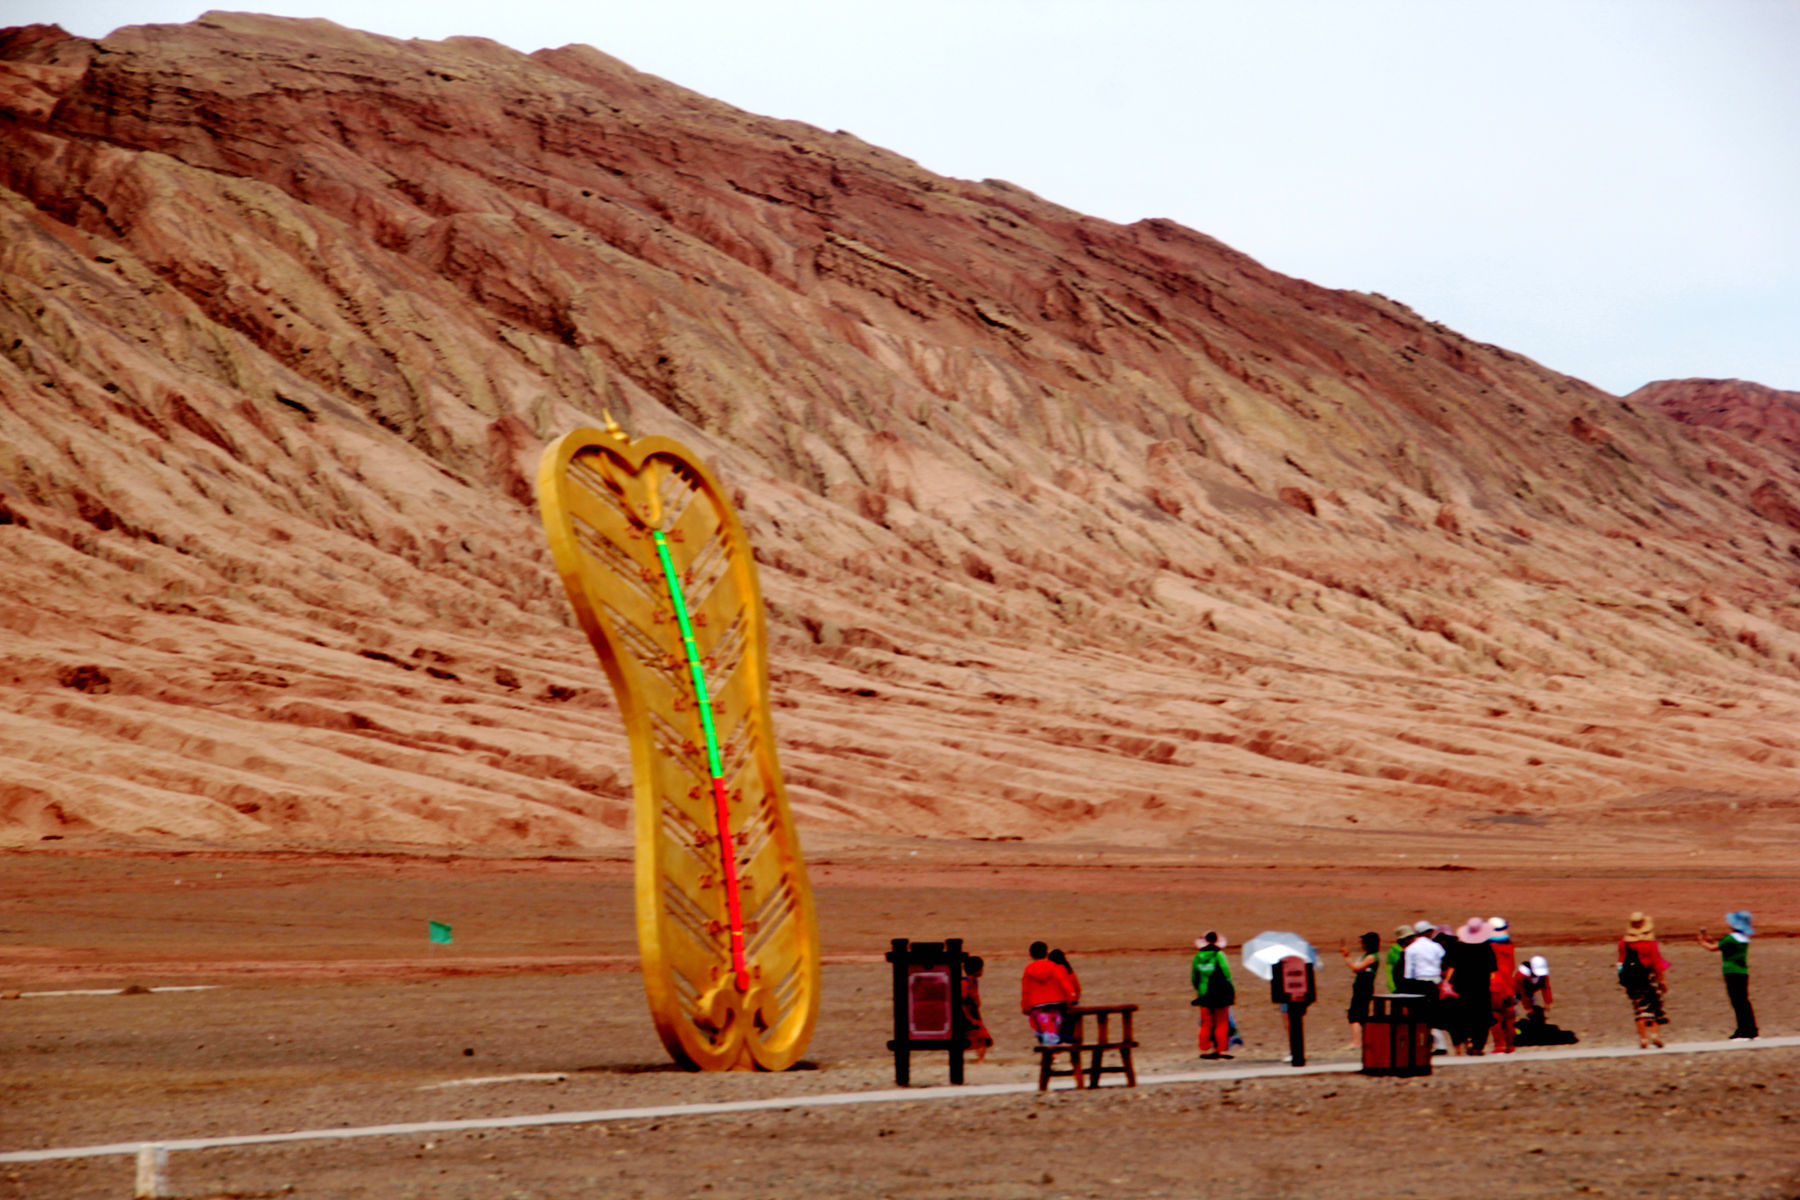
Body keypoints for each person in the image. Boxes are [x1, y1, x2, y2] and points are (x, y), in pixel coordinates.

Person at [1696, 910, 1757, 1040]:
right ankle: (1749, 1029)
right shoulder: (1744, 939)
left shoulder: (1730, 938)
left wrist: (1701, 942)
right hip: (1742, 972)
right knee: (1743, 1002)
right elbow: (1722, 944)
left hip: (1731, 972)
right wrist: (1710, 940)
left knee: (1737, 1002)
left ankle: (1745, 1032)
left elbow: (1713, 948)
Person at [1442, 917, 1496, 1055]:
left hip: (1461, 987)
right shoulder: (1486, 949)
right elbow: (1492, 970)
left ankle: (1463, 1042)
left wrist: (1446, 984)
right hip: (1480, 988)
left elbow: (1450, 967)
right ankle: (1478, 1046)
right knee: (1481, 1018)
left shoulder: (1457, 948)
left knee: (1461, 1015)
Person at [1618, 912, 1669, 1049]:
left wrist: (1623, 979)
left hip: (1632, 980)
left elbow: (1620, 962)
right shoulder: (1650, 944)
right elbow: (1657, 963)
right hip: (1648, 978)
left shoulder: (1624, 943)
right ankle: (1654, 1034)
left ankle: (1643, 1038)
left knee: (1639, 1008)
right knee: (1655, 1006)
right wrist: (1662, 980)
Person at [1402, 919, 1450, 1054]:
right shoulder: (1437, 947)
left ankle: (1424, 1044)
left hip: (1418, 983)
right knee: (1434, 1014)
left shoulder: (1411, 949)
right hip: (1434, 982)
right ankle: (1439, 1044)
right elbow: (1442, 963)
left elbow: (1408, 972)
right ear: (1427, 932)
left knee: (1419, 1015)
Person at [1020, 940, 1076, 1044]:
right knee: (1058, 1028)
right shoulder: (1057, 967)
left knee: (1045, 1031)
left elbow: (1026, 990)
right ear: (1046, 953)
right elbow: (1065, 984)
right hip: (1058, 1003)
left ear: (1031, 955)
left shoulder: (1028, 970)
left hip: (1038, 1005)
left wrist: (1025, 1006)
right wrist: (1071, 999)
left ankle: (1051, 1053)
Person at [1190, 932, 1236, 1059]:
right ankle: (1221, 1050)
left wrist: (1199, 990)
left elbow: (1194, 977)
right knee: (1222, 1022)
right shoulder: (1219, 955)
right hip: (1220, 993)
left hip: (1204, 994)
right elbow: (1226, 973)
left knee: (1206, 1023)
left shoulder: (1198, 957)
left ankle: (1203, 1049)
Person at [1341, 932, 1379, 1048]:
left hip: (1364, 988)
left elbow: (1356, 967)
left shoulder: (1371, 957)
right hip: (1360, 987)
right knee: (1357, 1013)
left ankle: (1357, 1042)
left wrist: (1346, 957)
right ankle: (1360, 1040)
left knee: (1356, 1014)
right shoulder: (1367, 956)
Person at [1487, 916, 1519, 1054]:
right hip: (1508, 984)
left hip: (1494, 984)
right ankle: (1510, 1045)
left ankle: (1498, 1044)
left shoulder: (1490, 947)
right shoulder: (1510, 947)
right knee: (1509, 1017)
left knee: (1495, 1015)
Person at [961, 955, 995, 1062]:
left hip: (972, 1013)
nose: (982, 970)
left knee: (977, 1037)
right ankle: (981, 1059)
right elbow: (963, 1000)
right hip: (968, 1014)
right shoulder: (965, 982)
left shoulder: (972, 981)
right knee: (981, 1036)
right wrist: (968, 1017)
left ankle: (980, 1058)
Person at [1047, 949, 1081, 1042]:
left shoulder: (1053, 971)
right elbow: (1077, 988)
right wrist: (1074, 999)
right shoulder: (1069, 971)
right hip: (1071, 1004)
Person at [1387, 924, 1414, 991]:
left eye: (1413, 936)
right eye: (1410, 937)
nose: (1413, 939)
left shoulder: (1414, 949)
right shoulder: (1394, 951)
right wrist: (1393, 988)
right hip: (1398, 987)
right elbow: (1389, 970)